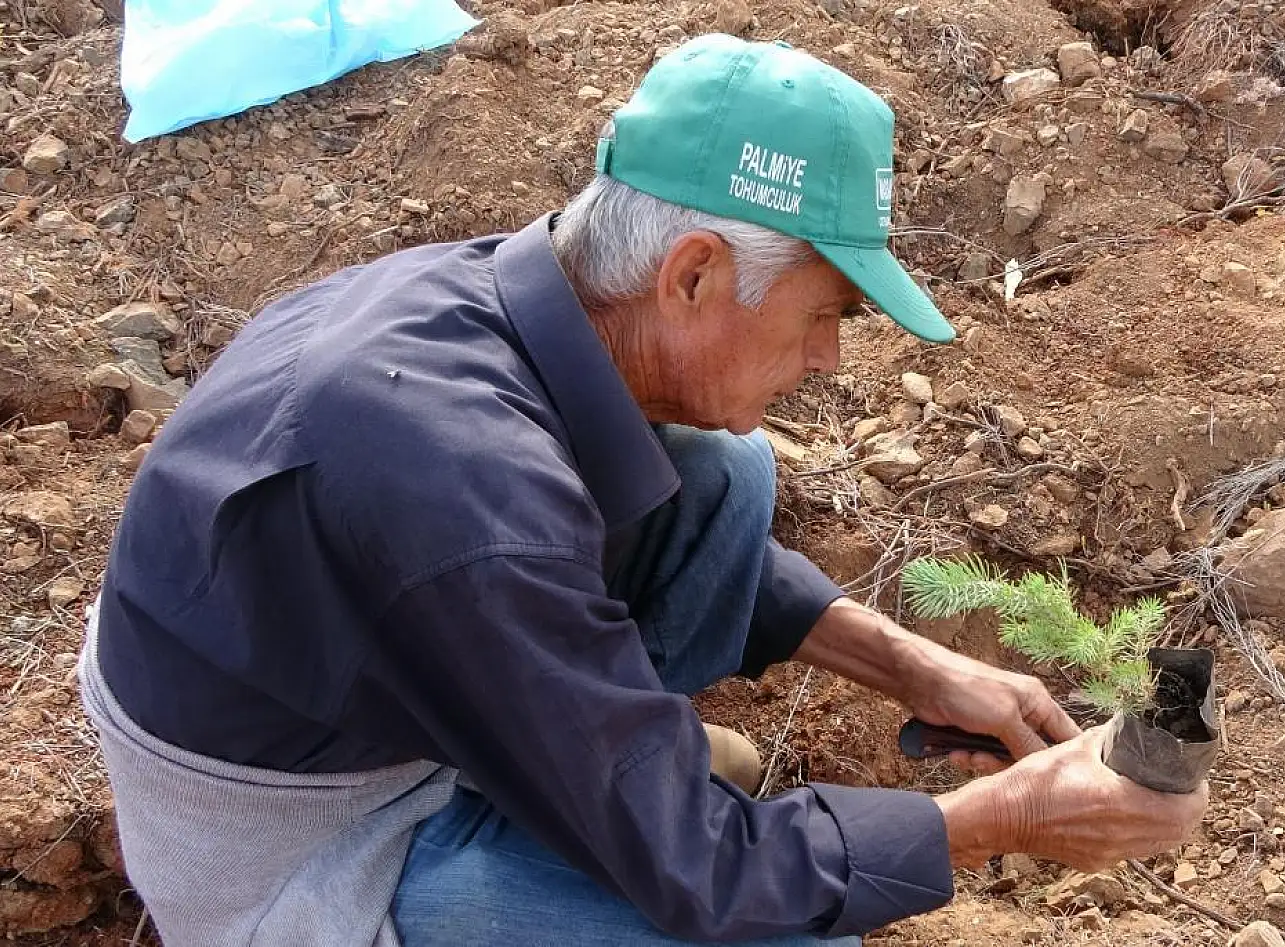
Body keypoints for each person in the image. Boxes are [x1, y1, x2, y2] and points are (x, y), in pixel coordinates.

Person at [79, 33, 1206, 947]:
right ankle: (584, 791)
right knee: (778, 939)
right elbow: (708, 880)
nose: (827, 359)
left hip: (378, 688)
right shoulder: (467, 491)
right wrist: (1003, 817)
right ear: (693, 274)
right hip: (294, 840)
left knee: (716, 473)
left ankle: (602, 764)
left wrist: (906, 659)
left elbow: (548, 549)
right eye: (824, 314)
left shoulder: (508, 308)